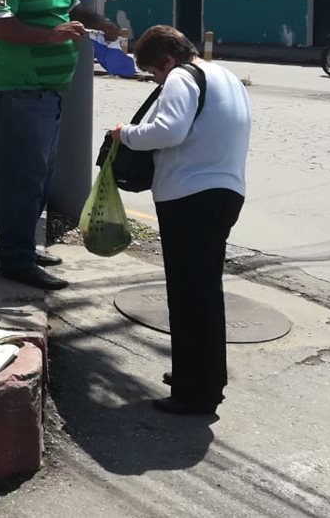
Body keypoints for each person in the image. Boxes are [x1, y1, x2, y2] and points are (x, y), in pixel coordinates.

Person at [0, 0, 120, 290]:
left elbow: (72, 7)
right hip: (19, 92)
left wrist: (100, 22)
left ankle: (18, 245)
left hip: (47, 94)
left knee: (38, 177)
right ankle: (16, 259)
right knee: (21, 178)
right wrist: (51, 36)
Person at [111, 25, 251, 416]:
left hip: (190, 197)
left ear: (168, 60)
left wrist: (126, 134)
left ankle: (195, 393)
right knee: (204, 294)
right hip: (225, 192)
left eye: (154, 73)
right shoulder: (226, 76)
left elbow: (168, 131)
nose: (157, 80)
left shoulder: (181, 77)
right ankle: (202, 377)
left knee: (190, 298)